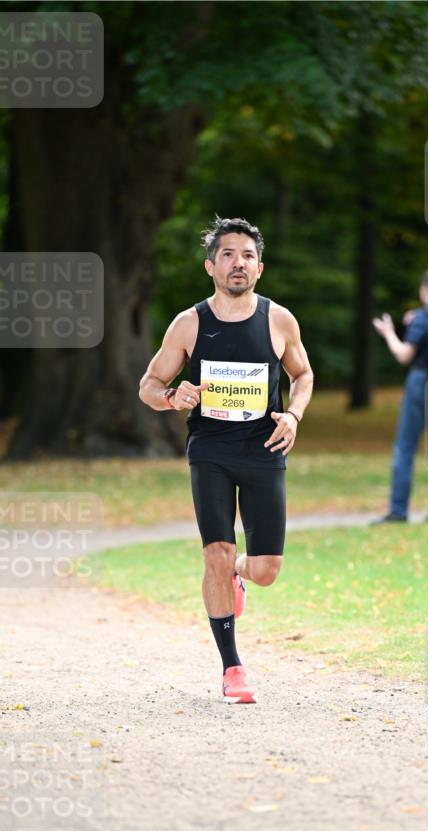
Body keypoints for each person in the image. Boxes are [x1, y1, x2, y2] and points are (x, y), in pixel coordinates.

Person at [139, 217, 314, 704]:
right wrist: (174, 396)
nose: (239, 263)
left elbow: (303, 375)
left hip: (263, 450)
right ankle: (232, 667)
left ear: (260, 268)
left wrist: (294, 417)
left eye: (248, 256)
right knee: (213, 554)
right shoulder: (189, 323)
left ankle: (239, 570)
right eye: (229, 254)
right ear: (210, 266)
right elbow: (148, 387)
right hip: (211, 452)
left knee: (266, 570)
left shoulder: (279, 320)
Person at [372, 268, 428, 522]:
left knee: (405, 447)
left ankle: (399, 510)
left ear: (424, 289)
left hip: (421, 381)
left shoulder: (424, 316)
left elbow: (405, 355)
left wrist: (389, 333)